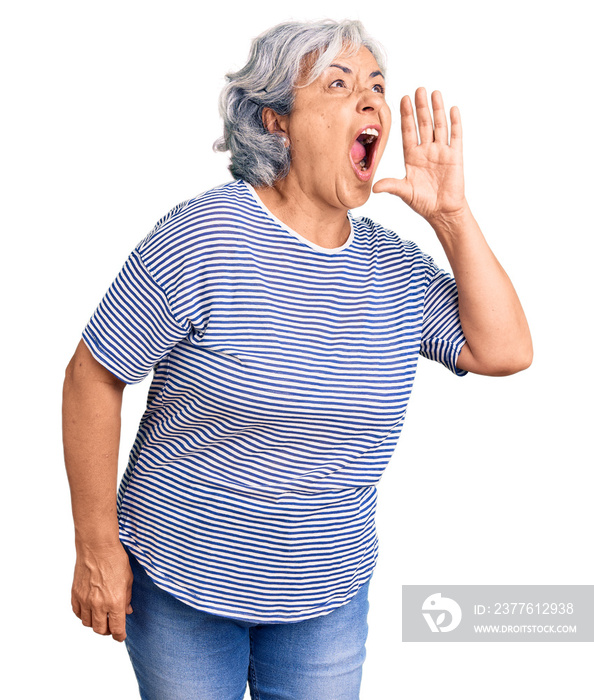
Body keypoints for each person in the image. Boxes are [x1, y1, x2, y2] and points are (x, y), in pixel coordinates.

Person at [62, 18, 532, 700]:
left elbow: (506, 351)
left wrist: (452, 217)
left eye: (376, 86)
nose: (370, 101)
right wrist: (97, 546)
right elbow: (93, 374)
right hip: (181, 578)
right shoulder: (206, 236)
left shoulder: (394, 270)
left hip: (327, 594)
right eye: (339, 85)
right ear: (276, 120)